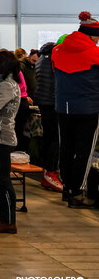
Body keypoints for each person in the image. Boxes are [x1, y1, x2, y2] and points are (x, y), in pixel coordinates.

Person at [52, 11, 99, 208]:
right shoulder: (95, 54)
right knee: (84, 152)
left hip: (63, 108)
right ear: (91, 35)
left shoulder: (57, 51)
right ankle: (78, 193)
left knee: (66, 148)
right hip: (89, 109)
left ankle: (67, 188)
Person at [0, 50, 21, 234]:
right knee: (0, 177)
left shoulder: (6, 86)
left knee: (2, 179)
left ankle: (9, 220)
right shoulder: (9, 83)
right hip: (3, 136)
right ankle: (2, 214)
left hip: (2, 137)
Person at [35, 42, 62, 192]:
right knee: (55, 138)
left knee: (48, 136)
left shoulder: (41, 58)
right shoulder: (54, 57)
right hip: (53, 102)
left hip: (43, 101)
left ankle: (46, 170)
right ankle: (50, 172)